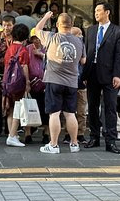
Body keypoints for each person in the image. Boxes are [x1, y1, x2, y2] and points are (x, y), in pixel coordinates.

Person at [36, 12, 85, 154]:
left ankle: (54, 145)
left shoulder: (51, 37)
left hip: (54, 80)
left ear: (57, 25)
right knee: (70, 113)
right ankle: (74, 144)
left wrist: (45, 17)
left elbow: (37, 29)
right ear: (71, 25)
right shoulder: (78, 41)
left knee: (54, 113)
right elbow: (83, 61)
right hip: (72, 82)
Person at [81, 2, 120, 154]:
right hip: (92, 73)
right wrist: (84, 74)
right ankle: (94, 137)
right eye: (95, 11)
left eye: (99, 10)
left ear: (107, 12)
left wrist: (117, 75)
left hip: (109, 74)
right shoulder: (91, 30)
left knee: (110, 108)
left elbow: (119, 55)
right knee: (92, 107)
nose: (96, 13)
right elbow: (87, 52)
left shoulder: (117, 31)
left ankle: (110, 140)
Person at [2, 23, 31, 147]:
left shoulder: (10, 48)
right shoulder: (23, 50)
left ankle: (11, 133)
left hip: (7, 81)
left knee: (11, 109)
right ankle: (12, 135)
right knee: (18, 108)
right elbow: (24, 67)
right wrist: (27, 82)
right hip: (18, 82)